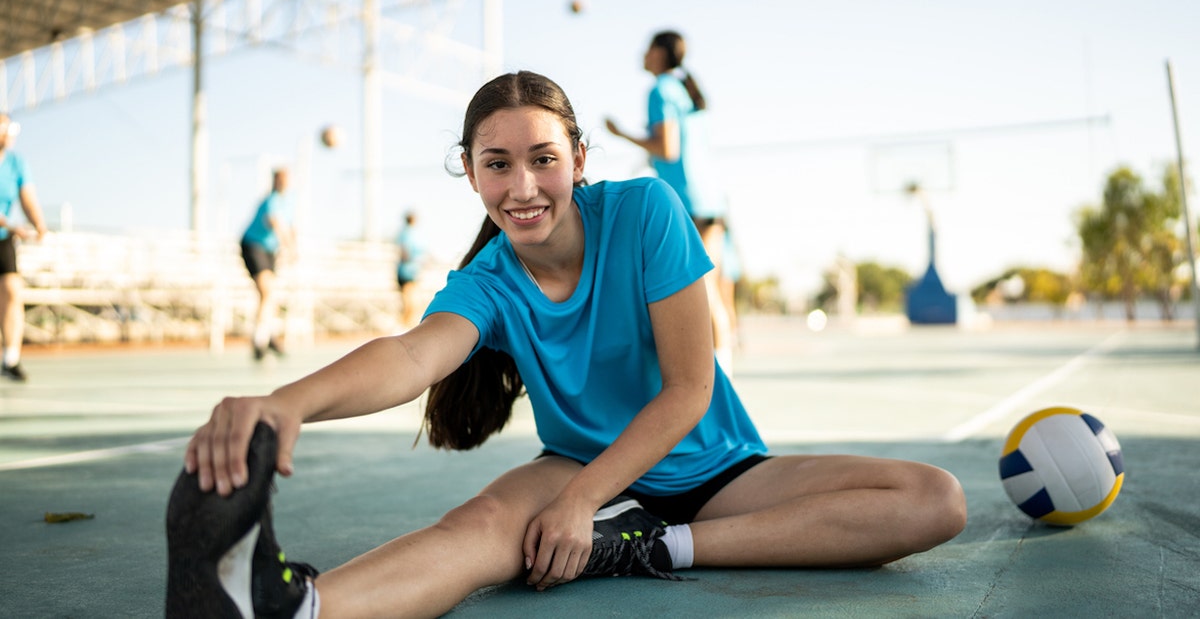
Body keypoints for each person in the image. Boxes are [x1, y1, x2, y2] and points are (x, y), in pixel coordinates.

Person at [166, 72, 967, 619]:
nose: (522, 187)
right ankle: (299, 607)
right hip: (575, 464)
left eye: (543, 160)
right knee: (477, 529)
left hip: (717, 471)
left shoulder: (646, 212)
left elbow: (688, 389)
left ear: (578, 159)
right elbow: (413, 356)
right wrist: (287, 401)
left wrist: (591, 509)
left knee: (934, 499)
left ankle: (657, 548)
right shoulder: (489, 278)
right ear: (472, 175)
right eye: (497, 164)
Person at [604, 30, 734, 372]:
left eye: (648, 48)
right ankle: (724, 379)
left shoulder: (661, 90)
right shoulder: (687, 93)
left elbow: (668, 148)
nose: (643, 54)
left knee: (687, 294)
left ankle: (707, 383)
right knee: (711, 294)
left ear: (660, 54)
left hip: (688, 204)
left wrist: (621, 134)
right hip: (711, 202)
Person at [0, 113, 48, 382]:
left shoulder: (17, 163)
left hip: (3, 238)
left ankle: (11, 358)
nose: (7, 133)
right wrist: (10, 224)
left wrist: (38, 224)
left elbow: (27, 198)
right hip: (6, 228)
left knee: (11, 291)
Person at [240, 167, 295, 361]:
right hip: (254, 245)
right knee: (266, 291)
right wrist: (288, 246)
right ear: (275, 181)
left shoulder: (288, 202)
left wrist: (292, 248)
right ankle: (260, 339)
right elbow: (275, 223)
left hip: (271, 251)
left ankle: (266, 334)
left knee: (270, 294)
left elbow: (290, 226)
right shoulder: (271, 201)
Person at [394, 209, 428, 329]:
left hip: (412, 271)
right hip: (407, 271)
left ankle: (406, 325)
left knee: (411, 301)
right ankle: (403, 325)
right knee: (409, 301)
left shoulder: (410, 233)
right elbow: (405, 252)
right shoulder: (407, 233)